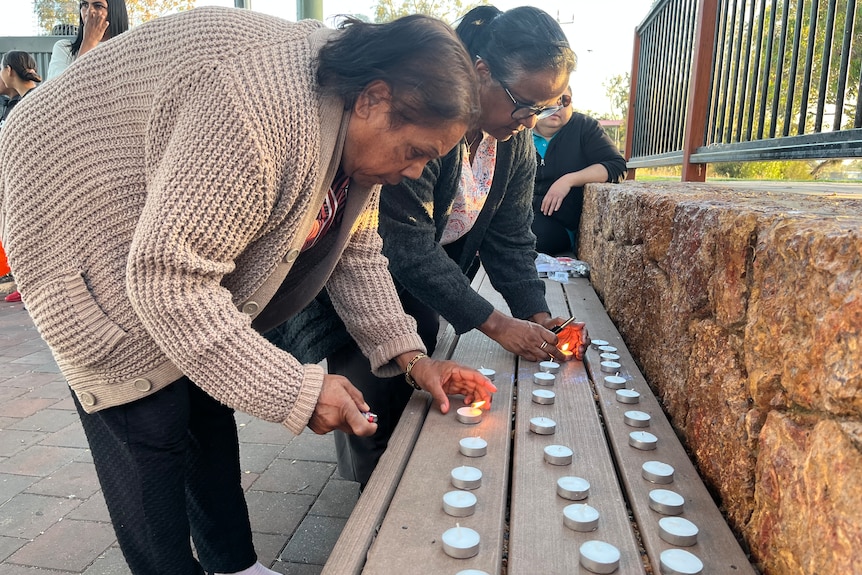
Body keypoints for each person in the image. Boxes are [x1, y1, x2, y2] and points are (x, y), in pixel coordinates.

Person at [0, 7, 495, 575]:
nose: (414, 173)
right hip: (73, 184)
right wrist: (296, 391)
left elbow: (354, 253)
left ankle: (233, 565)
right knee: (148, 413)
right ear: (374, 99)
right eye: (415, 153)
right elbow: (169, 280)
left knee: (206, 394)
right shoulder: (258, 107)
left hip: (156, 202)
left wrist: (412, 360)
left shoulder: (358, 134)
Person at [274, 5, 587, 488]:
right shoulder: (420, 123)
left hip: (413, 276)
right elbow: (397, 244)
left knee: (414, 360)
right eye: (522, 103)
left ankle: (398, 481)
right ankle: (375, 504)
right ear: (481, 71)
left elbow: (510, 238)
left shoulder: (513, 144)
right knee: (372, 394)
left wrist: (537, 315)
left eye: (544, 108)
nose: (530, 120)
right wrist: (495, 323)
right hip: (360, 274)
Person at [531, 85, 627, 256]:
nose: (557, 107)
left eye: (564, 100)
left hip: (558, 225)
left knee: (535, 236)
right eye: (550, 100)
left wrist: (568, 180)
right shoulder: (519, 130)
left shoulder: (584, 127)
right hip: (519, 217)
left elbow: (616, 166)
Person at [1, 50, 42, 303]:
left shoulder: (33, 101)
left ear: (8, 71)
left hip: (30, 180)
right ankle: (25, 283)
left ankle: (31, 287)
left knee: (26, 234)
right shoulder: (18, 102)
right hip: (18, 179)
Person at [47, 0, 129, 79]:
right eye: (85, 5)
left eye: (98, 6)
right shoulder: (64, 49)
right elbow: (58, 90)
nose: (89, 12)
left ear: (115, 11)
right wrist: (89, 42)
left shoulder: (128, 51)